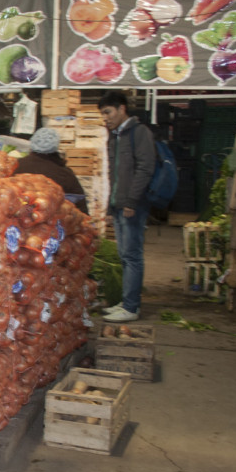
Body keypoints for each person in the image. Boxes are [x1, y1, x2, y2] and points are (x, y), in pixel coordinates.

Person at [98, 91, 156, 323]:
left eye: (108, 112)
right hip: (120, 205)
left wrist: (131, 201)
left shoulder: (139, 133)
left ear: (122, 109)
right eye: (102, 114)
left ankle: (132, 307)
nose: (105, 118)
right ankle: (126, 301)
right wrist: (111, 208)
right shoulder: (115, 136)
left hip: (134, 206)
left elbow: (145, 169)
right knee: (124, 256)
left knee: (132, 256)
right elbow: (114, 174)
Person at [12, 127, 89, 214]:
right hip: (54, 224)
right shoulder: (65, 174)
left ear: (32, 143)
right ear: (56, 147)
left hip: (18, 221)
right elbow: (81, 209)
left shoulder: (16, 167)